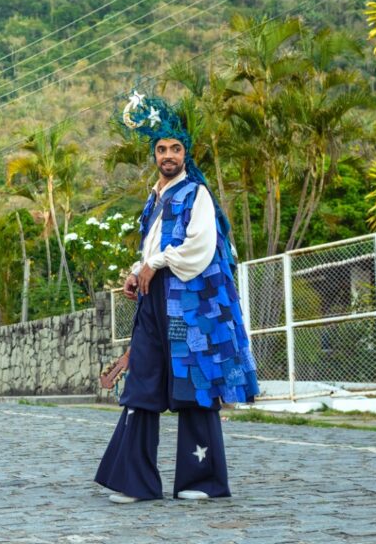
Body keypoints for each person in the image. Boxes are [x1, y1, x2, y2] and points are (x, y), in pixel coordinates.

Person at [95, 90, 259, 504]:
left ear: (186, 153)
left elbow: (200, 246)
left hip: (187, 303)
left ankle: (201, 481)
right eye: (162, 149)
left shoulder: (196, 193)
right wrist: (138, 270)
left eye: (175, 149)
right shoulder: (155, 197)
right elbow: (152, 246)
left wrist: (156, 263)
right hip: (154, 299)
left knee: (194, 381)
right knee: (142, 382)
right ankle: (136, 483)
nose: (168, 155)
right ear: (154, 154)